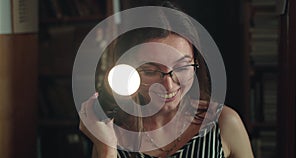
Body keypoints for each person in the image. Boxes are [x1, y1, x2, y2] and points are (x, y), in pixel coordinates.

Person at [78, 1, 254, 158]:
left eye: (182, 67)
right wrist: (107, 150)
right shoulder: (110, 133)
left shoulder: (223, 123)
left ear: (196, 62)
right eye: (150, 71)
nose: (168, 85)